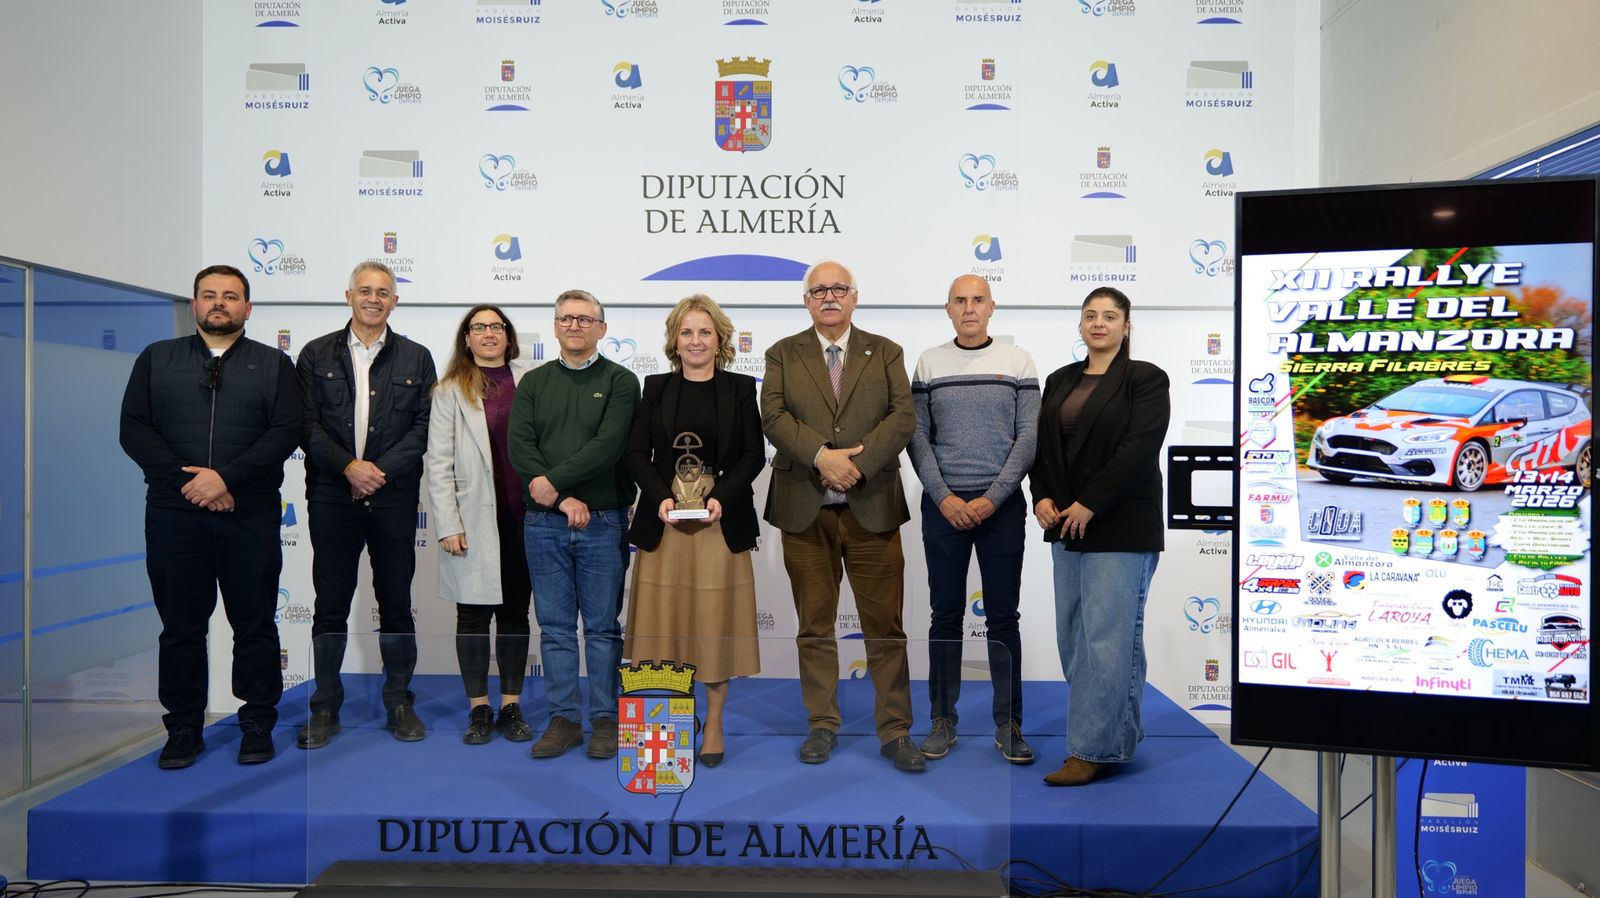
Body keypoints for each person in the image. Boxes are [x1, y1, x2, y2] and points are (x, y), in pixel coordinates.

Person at [119, 264, 302, 768]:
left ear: (248, 307)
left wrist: (225, 479)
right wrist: (191, 485)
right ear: (195, 304)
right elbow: (135, 431)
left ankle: (257, 722)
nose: (219, 303)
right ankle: (183, 728)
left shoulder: (274, 365)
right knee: (180, 627)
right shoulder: (157, 359)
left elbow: (285, 432)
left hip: (250, 516)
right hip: (176, 518)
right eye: (209, 295)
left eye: (230, 295)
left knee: (256, 622)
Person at [761, 260, 923, 773]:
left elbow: (903, 417)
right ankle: (822, 725)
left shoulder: (886, 350)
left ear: (854, 297)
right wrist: (821, 457)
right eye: (819, 290)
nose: (829, 297)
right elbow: (773, 416)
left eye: (838, 289)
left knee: (886, 629)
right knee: (814, 626)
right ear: (806, 300)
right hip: (804, 511)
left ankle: (895, 731)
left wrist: (853, 465)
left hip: (872, 507)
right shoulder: (782, 353)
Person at [1029, 286, 1170, 786]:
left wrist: (1091, 503)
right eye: (1091, 315)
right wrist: (1041, 496)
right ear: (1081, 324)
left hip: (1120, 524)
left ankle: (1092, 749)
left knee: (1108, 640)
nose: (1100, 323)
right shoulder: (1060, 379)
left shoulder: (1145, 380)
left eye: (1111, 316)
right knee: (1075, 640)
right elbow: (1044, 450)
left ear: (1127, 326)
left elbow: (1137, 450)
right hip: (1065, 524)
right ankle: (1116, 736)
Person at [296, 261, 438, 749]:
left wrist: (377, 472)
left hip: (394, 496)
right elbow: (306, 424)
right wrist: (349, 468)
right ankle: (325, 708)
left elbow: (423, 428)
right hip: (333, 493)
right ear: (348, 295)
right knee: (329, 604)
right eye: (365, 290)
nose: (374, 298)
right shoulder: (315, 354)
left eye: (383, 291)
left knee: (396, 604)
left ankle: (399, 702)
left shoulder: (417, 358)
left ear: (395, 300)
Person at [623, 295, 763, 768]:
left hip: (720, 524)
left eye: (705, 332)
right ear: (674, 340)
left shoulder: (742, 388)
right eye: (687, 332)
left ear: (720, 340)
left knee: (713, 627)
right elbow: (637, 453)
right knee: (663, 629)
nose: (696, 340)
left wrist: (721, 498)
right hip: (664, 522)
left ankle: (716, 722)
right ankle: (670, 723)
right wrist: (661, 495)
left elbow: (752, 455)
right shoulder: (655, 387)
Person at [907, 274, 1039, 765]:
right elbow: (917, 437)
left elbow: (1028, 437)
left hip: (1000, 508)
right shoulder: (928, 362)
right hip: (943, 507)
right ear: (947, 309)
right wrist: (944, 498)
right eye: (960, 300)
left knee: (1004, 618)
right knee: (945, 615)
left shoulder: (1018, 361)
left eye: (977, 300)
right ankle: (943, 720)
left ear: (992, 307)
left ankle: (1010, 725)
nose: (968, 308)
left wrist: (993, 497)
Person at [509, 289, 640, 760]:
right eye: (566, 318)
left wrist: (555, 483)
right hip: (544, 522)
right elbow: (521, 446)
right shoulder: (534, 382)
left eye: (586, 319)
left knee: (603, 628)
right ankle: (563, 719)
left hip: (603, 520)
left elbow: (609, 445)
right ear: (555, 326)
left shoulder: (623, 381)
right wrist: (562, 498)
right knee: (556, 627)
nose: (575, 326)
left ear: (602, 329)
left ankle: (606, 720)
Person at [425, 305, 536, 744]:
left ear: (508, 336)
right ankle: (479, 708)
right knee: (471, 617)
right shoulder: (449, 390)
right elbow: (438, 464)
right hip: (470, 522)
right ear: (466, 338)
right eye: (479, 327)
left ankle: (510, 705)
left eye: (496, 326)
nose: (488, 333)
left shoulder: (531, 379)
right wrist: (448, 523)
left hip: (526, 520)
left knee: (514, 615)